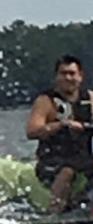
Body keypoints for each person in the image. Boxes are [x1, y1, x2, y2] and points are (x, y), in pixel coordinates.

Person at [26, 55, 93, 213]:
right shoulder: (46, 101)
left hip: (84, 158)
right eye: (63, 73)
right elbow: (32, 131)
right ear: (57, 77)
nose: (68, 78)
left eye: (72, 73)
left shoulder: (90, 99)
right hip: (52, 161)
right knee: (68, 170)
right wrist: (61, 125)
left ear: (80, 77)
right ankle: (54, 213)